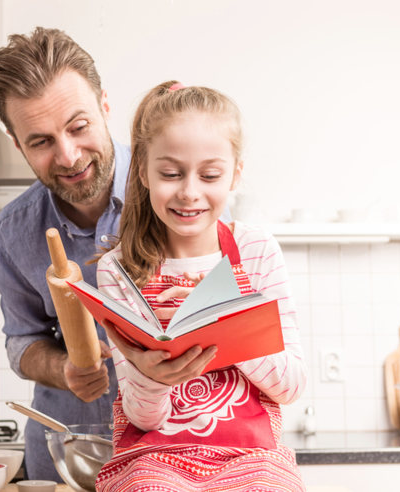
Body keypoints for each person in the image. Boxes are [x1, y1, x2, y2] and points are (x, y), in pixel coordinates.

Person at [0, 29, 211, 481]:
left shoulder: (180, 192)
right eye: (41, 141)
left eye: (78, 126)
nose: (68, 156)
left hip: (179, 457)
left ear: (105, 106)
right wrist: (64, 368)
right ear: (17, 144)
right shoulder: (14, 231)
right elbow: (22, 341)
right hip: (70, 459)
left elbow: (233, 312)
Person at [95, 81, 307, 491]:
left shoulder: (255, 250)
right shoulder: (118, 270)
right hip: (153, 460)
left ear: (234, 174)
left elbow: (292, 385)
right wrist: (153, 375)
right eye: (170, 173)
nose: (190, 192)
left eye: (210, 174)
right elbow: (143, 417)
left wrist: (229, 321)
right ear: (143, 171)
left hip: (252, 460)